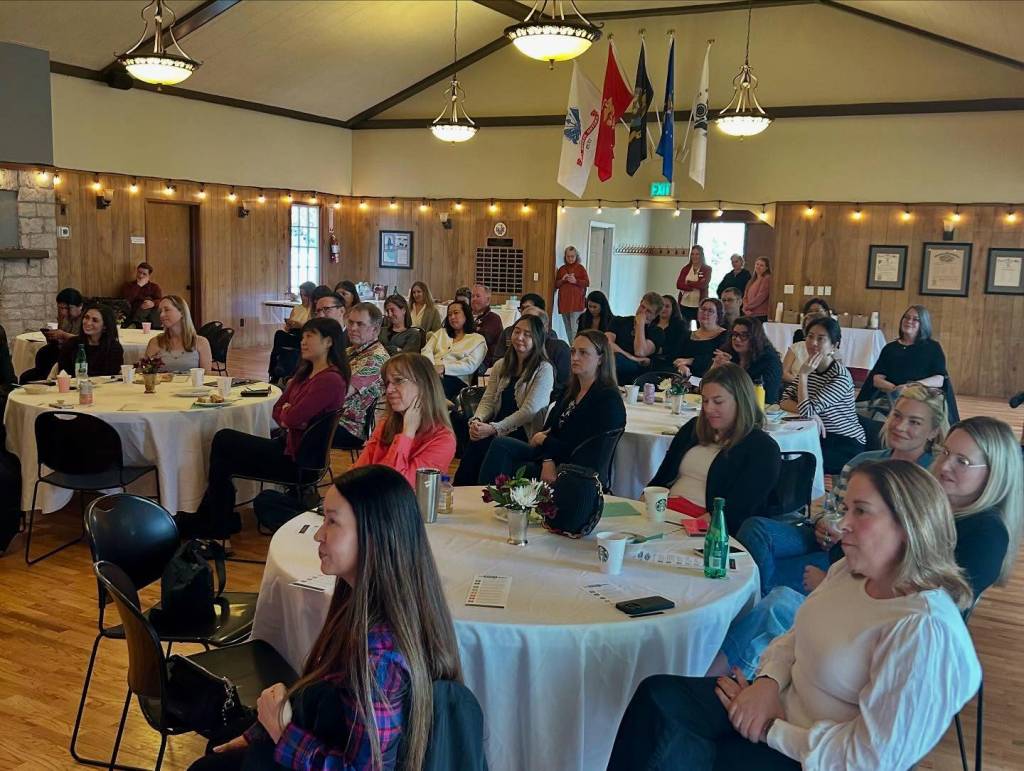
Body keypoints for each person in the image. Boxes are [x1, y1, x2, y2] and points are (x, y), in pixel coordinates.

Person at [609, 460, 981, 771]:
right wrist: (766, 684)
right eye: (846, 508)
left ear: (907, 526)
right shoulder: (850, 573)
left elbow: (872, 757)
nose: (843, 523)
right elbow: (793, 637)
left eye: (861, 511)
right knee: (659, 699)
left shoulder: (924, 629)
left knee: (684, 750)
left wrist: (772, 728)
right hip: (779, 706)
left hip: (811, 755)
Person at [190, 465, 462, 771]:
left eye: (333, 522)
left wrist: (281, 732)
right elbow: (315, 691)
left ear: (374, 534)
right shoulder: (369, 604)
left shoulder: (379, 656)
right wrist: (258, 733)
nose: (319, 534)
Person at [739, 384, 947, 597]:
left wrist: (846, 533)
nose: (900, 426)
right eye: (897, 416)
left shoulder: (930, 478)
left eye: (914, 422)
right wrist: (824, 522)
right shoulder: (864, 462)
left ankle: (767, 598)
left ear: (932, 432)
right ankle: (765, 597)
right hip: (824, 539)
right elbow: (832, 507)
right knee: (755, 529)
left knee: (775, 580)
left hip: (853, 554)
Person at [178, 318, 349, 540]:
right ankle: (217, 520)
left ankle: (217, 522)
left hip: (299, 460)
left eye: (310, 336)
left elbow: (292, 416)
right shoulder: (306, 373)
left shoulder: (329, 380)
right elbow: (279, 410)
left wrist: (291, 415)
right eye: (303, 336)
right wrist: (291, 415)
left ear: (328, 342)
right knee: (224, 448)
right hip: (288, 446)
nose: (303, 341)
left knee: (223, 443)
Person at [479, 330, 625, 485]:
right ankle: (483, 498)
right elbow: (548, 430)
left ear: (601, 359)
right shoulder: (570, 391)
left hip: (576, 469)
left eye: (583, 353)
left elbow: (582, 449)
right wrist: (547, 458)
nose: (575, 358)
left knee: (504, 462)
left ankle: (491, 499)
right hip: (554, 456)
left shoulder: (608, 400)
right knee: (500, 444)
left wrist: (545, 442)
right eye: (573, 351)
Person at [648, 364, 781, 528]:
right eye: (705, 400)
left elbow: (738, 510)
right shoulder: (693, 428)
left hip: (706, 524)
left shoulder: (762, 448)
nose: (708, 408)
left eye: (718, 402)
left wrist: (689, 526)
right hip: (665, 511)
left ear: (741, 401)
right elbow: (661, 479)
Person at [455, 315, 554, 485]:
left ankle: (481, 496)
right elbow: (488, 400)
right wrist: (477, 420)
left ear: (537, 339)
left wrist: (494, 429)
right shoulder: (502, 365)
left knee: (493, 443)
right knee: (475, 438)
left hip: (523, 434)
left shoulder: (543, 369)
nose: (520, 337)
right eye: (517, 332)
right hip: (496, 427)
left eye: (527, 334)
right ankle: (460, 495)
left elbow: (529, 412)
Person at [353, 354, 457, 487]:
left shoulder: (443, 440)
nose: (389, 390)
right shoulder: (386, 424)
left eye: (398, 380)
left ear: (423, 385)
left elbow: (396, 488)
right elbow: (356, 474)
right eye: (387, 383)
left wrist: (407, 433)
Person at [779, 316, 865, 473]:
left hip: (844, 443)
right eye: (810, 336)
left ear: (834, 345)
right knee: (780, 456)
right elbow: (784, 400)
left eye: (821, 339)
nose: (813, 343)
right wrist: (813, 415)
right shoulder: (810, 367)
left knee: (795, 465)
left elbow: (807, 411)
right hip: (816, 434)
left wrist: (803, 377)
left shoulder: (840, 376)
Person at [858, 304, 954, 420]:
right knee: (876, 420)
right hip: (890, 397)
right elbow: (877, 379)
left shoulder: (932, 347)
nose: (909, 321)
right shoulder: (890, 348)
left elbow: (939, 379)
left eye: (915, 319)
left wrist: (910, 387)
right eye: (906, 317)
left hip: (921, 397)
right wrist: (896, 389)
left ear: (923, 324)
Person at [334, 303, 389, 449]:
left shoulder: (375, 359)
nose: (352, 328)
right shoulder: (351, 350)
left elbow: (339, 394)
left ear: (375, 330)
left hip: (349, 427)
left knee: (297, 428)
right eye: (350, 322)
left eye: (360, 324)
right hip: (333, 417)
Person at [493, 307, 570, 401]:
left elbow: (563, 385)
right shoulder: (503, 363)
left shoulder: (557, 350)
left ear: (544, 328)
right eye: (518, 330)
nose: (520, 337)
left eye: (533, 323)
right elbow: (489, 399)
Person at [421, 300, 487, 400]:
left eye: (456, 313)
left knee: (429, 389)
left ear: (466, 315)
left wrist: (443, 368)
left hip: (457, 380)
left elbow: (470, 366)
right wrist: (432, 368)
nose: (452, 317)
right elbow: (426, 351)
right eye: (449, 314)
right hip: (430, 374)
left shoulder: (478, 340)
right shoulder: (441, 333)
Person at [710, 317, 782, 405]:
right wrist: (714, 367)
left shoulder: (769, 361)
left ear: (755, 338)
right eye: (735, 334)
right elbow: (706, 388)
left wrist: (734, 371)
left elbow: (768, 397)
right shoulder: (727, 353)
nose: (737, 339)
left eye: (744, 335)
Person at [22, 287, 84, 383]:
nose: (64, 312)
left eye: (67, 308)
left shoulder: (86, 319)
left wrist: (63, 335)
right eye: (61, 308)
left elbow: (84, 340)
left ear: (80, 306)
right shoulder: (65, 318)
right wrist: (53, 337)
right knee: (26, 376)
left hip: (72, 357)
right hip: (59, 351)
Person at [143, 296, 213, 373]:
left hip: (191, 385)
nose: (162, 315)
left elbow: (206, 377)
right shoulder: (155, 342)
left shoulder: (201, 342)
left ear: (182, 312)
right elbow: (145, 373)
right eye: (160, 311)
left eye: (167, 310)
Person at [606, 292, 664, 383]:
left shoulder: (657, 332)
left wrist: (640, 324)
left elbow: (640, 352)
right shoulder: (619, 321)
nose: (643, 312)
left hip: (638, 372)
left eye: (648, 311)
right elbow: (606, 343)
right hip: (614, 362)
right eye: (642, 307)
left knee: (615, 358)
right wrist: (633, 358)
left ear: (655, 316)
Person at [57, 303, 124, 377]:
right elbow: (64, 374)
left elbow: (113, 377)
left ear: (105, 326)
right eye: (86, 317)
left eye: (95, 320)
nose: (88, 323)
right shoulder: (72, 344)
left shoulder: (113, 348)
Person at [667, 298, 728, 378]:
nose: (705, 313)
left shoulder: (725, 335)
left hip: (711, 379)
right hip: (685, 379)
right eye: (703, 309)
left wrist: (690, 361)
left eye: (710, 311)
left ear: (718, 316)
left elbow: (716, 359)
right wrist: (680, 366)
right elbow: (675, 358)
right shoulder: (687, 335)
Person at [268, 281, 316, 382]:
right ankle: (274, 370)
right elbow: (286, 328)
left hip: (304, 336)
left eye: (305, 295)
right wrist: (289, 324)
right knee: (279, 334)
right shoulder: (297, 308)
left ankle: (275, 373)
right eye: (301, 295)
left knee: (282, 341)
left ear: (311, 296)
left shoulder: (313, 310)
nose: (303, 298)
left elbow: (312, 327)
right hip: (293, 333)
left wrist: (301, 325)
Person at [780, 311, 827, 383]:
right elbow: (784, 373)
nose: (809, 330)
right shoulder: (795, 347)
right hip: (793, 386)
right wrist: (801, 382)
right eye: (806, 327)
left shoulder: (828, 350)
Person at [555, 245, 590, 341]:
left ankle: (575, 348)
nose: (570, 259)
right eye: (568, 256)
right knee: (568, 330)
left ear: (576, 256)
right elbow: (556, 285)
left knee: (575, 330)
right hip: (564, 304)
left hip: (577, 304)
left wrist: (575, 281)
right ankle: (572, 348)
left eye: (572, 256)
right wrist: (563, 280)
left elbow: (587, 283)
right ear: (565, 257)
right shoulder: (562, 269)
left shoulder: (580, 268)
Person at [676, 245, 711, 329]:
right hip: (685, 303)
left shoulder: (707, 269)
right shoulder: (686, 268)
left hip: (699, 305)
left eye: (697, 254)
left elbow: (703, 285)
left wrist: (688, 283)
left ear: (701, 255)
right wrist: (692, 287)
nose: (694, 256)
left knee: (701, 328)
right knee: (684, 328)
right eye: (693, 254)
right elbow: (679, 284)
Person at [470, 284, 504, 365]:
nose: (474, 299)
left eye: (478, 296)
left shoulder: (494, 318)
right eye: (472, 296)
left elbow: (484, 339)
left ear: (488, 300)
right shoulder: (466, 316)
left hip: (483, 360)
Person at [122, 261, 162, 328]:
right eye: (139, 272)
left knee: (149, 300)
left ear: (149, 275)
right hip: (134, 311)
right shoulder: (128, 285)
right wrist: (138, 286)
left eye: (144, 274)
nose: (141, 276)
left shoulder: (154, 287)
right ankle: (138, 323)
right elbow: (127, 300)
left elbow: (160, 300)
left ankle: (136, 324)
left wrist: (153, 303)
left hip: (150, 314)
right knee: (147, 300)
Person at [654, 295, 687, 365]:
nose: (663, 309)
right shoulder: (651, 323)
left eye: (667, 306)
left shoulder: (680, 325)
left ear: (673, 309)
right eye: (661, 305)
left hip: (670, 361)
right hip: (649, 359)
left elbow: (678, 348)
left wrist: (656, 350)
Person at [741, 256, 772, 322]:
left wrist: (747, 307)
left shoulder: (766, 278)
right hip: (749, 313)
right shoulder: (752, 280)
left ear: (766, 268)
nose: (758, 267)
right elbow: (745, 296)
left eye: (761, 265)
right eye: (757, 264)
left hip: (760, 314)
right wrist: (745, 307)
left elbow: (761, 297)